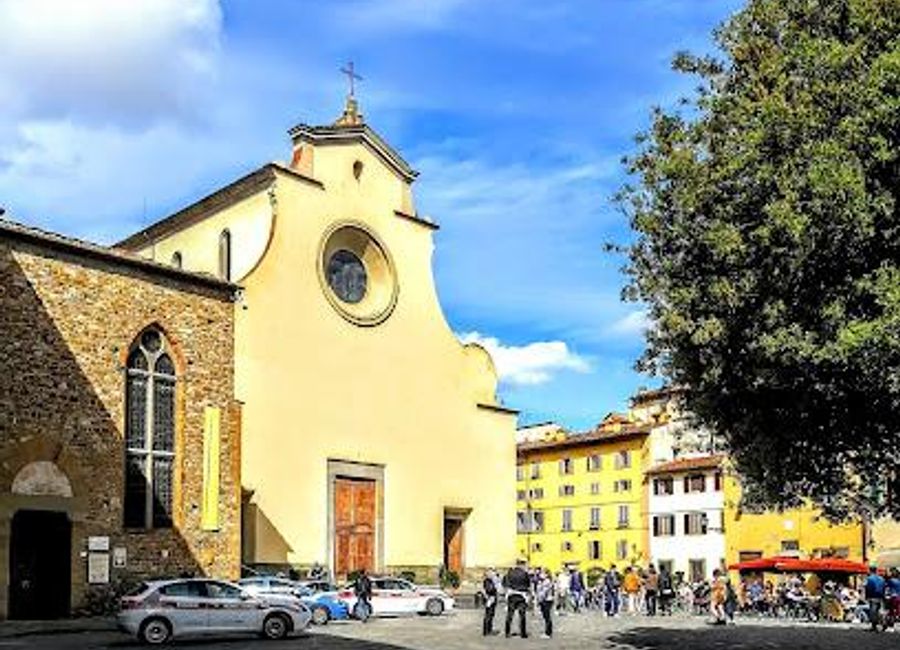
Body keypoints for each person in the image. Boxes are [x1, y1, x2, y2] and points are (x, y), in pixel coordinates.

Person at [503, 560, 531, 638]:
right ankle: (523, 633)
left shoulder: (510, 573)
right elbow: (528, 584)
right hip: (521, 596)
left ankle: (507, 632)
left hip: (511, 595)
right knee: (522, 615)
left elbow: (505, 583)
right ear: (522, 565)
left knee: (509, 615)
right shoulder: (525, 574)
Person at [864, 564, 886, 632]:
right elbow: (884, 588)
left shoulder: (869, 578)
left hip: (873, 596)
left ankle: (875, 626)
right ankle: (882, 623)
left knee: (873, 612)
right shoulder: (882, 578)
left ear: (870, 570)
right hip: (881, 596)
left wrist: (867, 597)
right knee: (879, 611)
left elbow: (868, 588)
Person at [536, 569, 555, 638]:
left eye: (543, 573)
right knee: (546, 617)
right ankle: (547, 632)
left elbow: (544, 592)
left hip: (546, 600)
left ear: (546, 574)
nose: (541, 574)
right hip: (545, 600)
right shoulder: (542, 581)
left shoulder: (547, 582)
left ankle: (548, 633)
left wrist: (539, 600)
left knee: (547, 617)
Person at [482, 568, 499, 636]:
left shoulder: (489, 580)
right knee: (489, 614)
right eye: (492, 573)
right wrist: (495, 587)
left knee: (491, 614)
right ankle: (487, 631)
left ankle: (489, 629)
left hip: (491, 598)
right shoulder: (488, 581)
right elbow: (489, 590)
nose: (493, 574)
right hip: (490, 599)